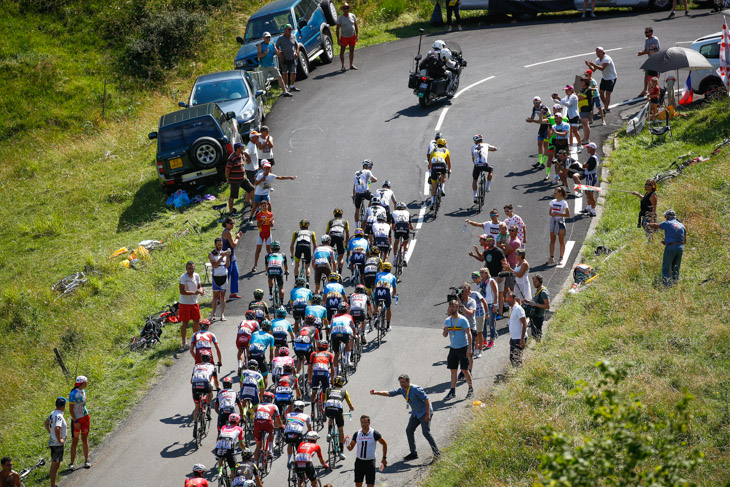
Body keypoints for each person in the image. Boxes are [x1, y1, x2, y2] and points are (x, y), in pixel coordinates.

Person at [370, 374, 440, 461]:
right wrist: (376, 392)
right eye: (400, 382)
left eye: (403, 382)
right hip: (415, 414)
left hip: (424, 412)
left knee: (426, 432)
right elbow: (389, 393)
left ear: (408, 381)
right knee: (409, 430)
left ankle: (437, 454)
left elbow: (427, 399)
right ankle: (413, 453)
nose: (402, 384)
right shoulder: (401, 390)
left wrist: (428, 414)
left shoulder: (415, 389)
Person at [467, 235, 508, 319]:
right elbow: (484, 261)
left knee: (500, 293)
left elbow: (504, 263)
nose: (489, 242)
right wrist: (483, 274)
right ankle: (490, 311)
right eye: (487, 241)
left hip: (498, 275)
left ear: (493, 241)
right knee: (490, 293)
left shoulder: (498, 251)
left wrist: (501, 275)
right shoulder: (486, 252)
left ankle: (500, 312)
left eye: (490, 241)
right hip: (489, 277)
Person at [443, 299, 474, 400]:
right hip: (453, 348)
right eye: (450, 307)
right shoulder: (447, 321)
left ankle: (470, 389)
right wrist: (445, 332)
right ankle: (452, 391)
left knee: (464, 370)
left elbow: (469, 334)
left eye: (453, 307)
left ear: (457, 308)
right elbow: (445, 335)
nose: (451, 308)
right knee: (453, 370)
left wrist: (469, 348)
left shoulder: (462, 320)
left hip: (463, 347)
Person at [647, 210, 687, 286]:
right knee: (676, 267)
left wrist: (649, 224)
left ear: (668, 217)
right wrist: (668, 241)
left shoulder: (667, 223)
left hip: (670, 247)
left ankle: (667, 285)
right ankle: (675, 284)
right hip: (680, 247)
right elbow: (684, 241)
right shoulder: (682, 225)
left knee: (666, 267)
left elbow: (657, 226)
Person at [347, 415, 388, 487]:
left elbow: (384, 444)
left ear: (369, 423)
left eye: (365, 422)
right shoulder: (357, 434)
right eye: (362, 423)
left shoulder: (374, 433)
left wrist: (384, 458)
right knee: (358, 484)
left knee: (370, 484)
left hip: (370, 462)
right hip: (359, 462)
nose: (363, 425)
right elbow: (350, 448)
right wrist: (346, 443)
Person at [325, 375, 355, 460]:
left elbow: (326, 400)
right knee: (341, 430)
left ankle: (329, 432)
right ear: (342, 384)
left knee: (331, 417)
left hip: (329, 407)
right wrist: (351, 408)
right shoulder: (344, 391)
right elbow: (350, 404)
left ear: (334, 382)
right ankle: (341, 452)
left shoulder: (328, 390)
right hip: (338, 410)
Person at [191, 352, 219, 437]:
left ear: (201, 358)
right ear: (210, 358)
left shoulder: (196, 366)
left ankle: (195, 425)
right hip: (206, 385)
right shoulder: (212, 367)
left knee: (196, 407)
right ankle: (209, 406)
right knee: (210, 388)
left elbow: (191, 381)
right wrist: (217, 388)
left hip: (195, 386)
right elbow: (216, 380)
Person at [257, 32, 291, 97]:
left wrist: (280, 52)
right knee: (262, 81)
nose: (268, 38)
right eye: (266, 37)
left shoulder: (272, 44)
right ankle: (262, 96)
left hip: (271, 65)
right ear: (263, 38)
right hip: (263, 66)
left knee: (279, 77)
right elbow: (259, 55)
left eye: (269, 37)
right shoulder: (260, 45)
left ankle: (285, 91)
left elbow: (277, 52)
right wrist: (265, 53)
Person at [252, 392, 283, 465]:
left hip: (257, 423)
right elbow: (278, 421)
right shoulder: (274, 406)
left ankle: (255, 464)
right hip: (267, 422)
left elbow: (253, 417)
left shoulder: (258, 406)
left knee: (258, 446)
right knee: (271, 431)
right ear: (271, 399)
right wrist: (281, 426)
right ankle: (270, 450)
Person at [179, 261, 204, 349]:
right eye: (189, 268)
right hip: (185, 303)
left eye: (192, 268)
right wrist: (194, 292)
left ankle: (195, 339)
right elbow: (182, 291)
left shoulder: (197, 276)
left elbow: (199, 286)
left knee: (197, 321)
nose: (191, 270)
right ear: (186, 269)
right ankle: (184, 341)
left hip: (194, 302)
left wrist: (201, 291)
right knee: (185, 323)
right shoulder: (183, 277)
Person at [68, 375, 91, 470]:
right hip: (77, 420)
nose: (87, 384)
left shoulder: (83, 391)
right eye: (86, 382)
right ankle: (71, 463)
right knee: (75, 441)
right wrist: (75, 420)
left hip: (85, 418)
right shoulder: (73, 394)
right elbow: (71, 410)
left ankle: (87, 460)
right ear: (83, 383)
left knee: (84, 439)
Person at [226, 143, 256, 214]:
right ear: (237, 148)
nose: (243, 148)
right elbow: (227, 169)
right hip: (235, 180)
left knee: (252, 189)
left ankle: (254, 206)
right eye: (241, 147)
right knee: (233, 196)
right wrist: (228, 178)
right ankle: (231, 211)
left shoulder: (241, 155)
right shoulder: (231, 158)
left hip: (242, 178)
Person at [283, 400, 313, 466]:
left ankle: (289, 459)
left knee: (290, 444)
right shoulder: (306, 416)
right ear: (302, 408)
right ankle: (299, 461)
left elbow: (287, 425)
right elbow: (310, 430)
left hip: (288, 435)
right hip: (297, 435)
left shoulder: (288, 415)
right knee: (299, 448)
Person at [308, 341, 336, 413]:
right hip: (325, 373)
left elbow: (310, 368)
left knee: (314, 392)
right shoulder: (329, 354)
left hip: (316, 373)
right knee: (325, 392)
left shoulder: (313, 354)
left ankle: (312, 411)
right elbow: (332, 369)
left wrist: (309, 379)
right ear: (327, 347)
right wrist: (332, 380)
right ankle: (323, 407)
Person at [45, 397, 67, 487]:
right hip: (57, 444)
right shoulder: (59, 416)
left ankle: (53, 484)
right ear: (64, 406)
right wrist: (60, 440)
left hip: (53, 442)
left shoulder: (52, 413)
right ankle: (53, 485)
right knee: (55, 465)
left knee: (54, 463)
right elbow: (57, 428)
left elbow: (46, 423)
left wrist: (51, 433)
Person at [552, 85, 581, 150]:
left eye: (567, 90)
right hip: (569, 115)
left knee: (575, 131)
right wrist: (554, 98)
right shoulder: (567, 97)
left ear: (571, 90)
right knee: (569, 131)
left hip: (574, 115)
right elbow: (561, 102)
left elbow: (568, 104)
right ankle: (570, 145)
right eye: (565, 90)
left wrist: (559, 99)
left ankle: (580, 145)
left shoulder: (573, 97)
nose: (565, 91)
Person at [526, 96, 551, 170]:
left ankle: (543, 163)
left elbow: (540, 121)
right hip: (542, 126)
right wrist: (529, 119)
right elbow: (532, 117)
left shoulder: (544, 108)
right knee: (539, 143)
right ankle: (539, 161)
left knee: (546, 145)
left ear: (540, 102)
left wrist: (532, 121)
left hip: (548, 126)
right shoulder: (534, 108)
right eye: (534, 103)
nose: (535, 104)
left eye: (536, 103)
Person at [471, 134, 498, 202]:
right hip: (484, 164)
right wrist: (488, 150)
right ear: (482, 140)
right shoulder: (486, 145)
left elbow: (473, 158)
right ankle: (487, 187)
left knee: (475, 180)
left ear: (475, 141)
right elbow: (495, 148)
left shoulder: (473, 147)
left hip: (476, 165)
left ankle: (475, 196)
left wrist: (475, 164)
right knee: (491, 170)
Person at [209, 237, 230, 321]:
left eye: (221, 244)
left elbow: (227, 265)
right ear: (215, 245)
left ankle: (222, 314)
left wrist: (227, 256)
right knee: (215, 296)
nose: (220, 246)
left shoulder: (224, 253)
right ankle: (213, 314)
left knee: (222, 296)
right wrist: (222, 256)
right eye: (218, 245)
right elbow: (215, 265)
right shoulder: (211, 254)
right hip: (216, 277)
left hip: (224, 276)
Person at [248, 320, 275, 387]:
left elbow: (248, 346)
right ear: (269, 328)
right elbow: (271, 351)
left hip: (251, 354)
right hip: (260, 355)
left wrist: (247, 359)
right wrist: (270, 362)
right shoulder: (271, 337)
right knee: (265, 376)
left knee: (249, 373)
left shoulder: (255, 333)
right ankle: (263, 394)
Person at [548, 187, 570, 266]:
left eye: (555, 193)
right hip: (553, 221)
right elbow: (550, 212)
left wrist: (559, 214)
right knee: (552, 240)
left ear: (560, 193)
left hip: (560, 221)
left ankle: (561, 258)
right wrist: (552, 214)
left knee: (561, 240)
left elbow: (568, 214)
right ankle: (551, 257)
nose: (554, 194)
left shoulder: (564, 203)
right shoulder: (553, 202)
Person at [330, 303, 355, 372]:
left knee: (336, 354)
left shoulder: (334, 317)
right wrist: (354, 335)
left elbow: (331, 328)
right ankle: (348, 361)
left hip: (335, 335)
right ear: (347, 310)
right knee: (347, 343)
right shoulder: (349, 316)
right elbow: (353, 328)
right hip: (344, 333)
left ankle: (335, 374)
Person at [222, 217, 243, 299]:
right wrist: (237, 238)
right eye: (231, 223)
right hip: (228, 257)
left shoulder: (228, 232)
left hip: (232, 257)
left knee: (235, 274)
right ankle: (220, 294)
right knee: (227, 276)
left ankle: (233, 293)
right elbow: (233, 245)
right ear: (226, 224)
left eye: (233, 223)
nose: (232, 225)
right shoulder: (227, 232)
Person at [505, 291, 528, 366]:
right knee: (513, 358)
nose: (507, 300)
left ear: (514, 299)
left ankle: (519, 374)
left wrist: (522, 339)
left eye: (509, 298)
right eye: (507, 298)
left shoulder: (518, 309)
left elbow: (524, 323)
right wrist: (511, 338)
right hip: (514, 338)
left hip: (519, 338)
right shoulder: (511, 309)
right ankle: (517, 374)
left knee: (516, 359)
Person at [276, 24, 300, 93]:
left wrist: (297, 52)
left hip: (292, 57)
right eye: (289, 29)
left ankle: (292, 86)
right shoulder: (281, 38)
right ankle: (285, 86)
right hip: (284, 58)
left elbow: (297, 45)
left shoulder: (293, 36)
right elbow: (276, 47)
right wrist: (280, 53)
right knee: (285, 73)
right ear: (285, 30)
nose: (290, 31)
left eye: (291, 29)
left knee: (293, 72)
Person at [373, 262, 397, 330]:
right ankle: (388, 326)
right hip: (386, 292)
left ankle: (376, 317)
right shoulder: (393, 276)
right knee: (388, 308)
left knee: (376, 304)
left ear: (382, 268)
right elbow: (394, 289)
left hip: (378, 291)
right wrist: (393, 295)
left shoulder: (378, 275)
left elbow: (375, 286)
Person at [479, 267, 499, 350]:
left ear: (487, 273)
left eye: (483, 272)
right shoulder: (482, 282)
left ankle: (492, 339)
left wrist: (495, 305)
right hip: (484, 304)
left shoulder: (491, 281)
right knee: (483, 322)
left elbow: (495, 293)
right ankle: (484, 339)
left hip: (491, 304)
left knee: (491, 322)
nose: (481, 274)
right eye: (480, 272)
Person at [353, 160, 377, 226]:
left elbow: (354, 185)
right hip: (365, 193)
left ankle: (356, 226)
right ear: (366, 166)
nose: (371, 167)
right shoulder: (368, 171)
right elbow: (375, 179)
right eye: (370, 166)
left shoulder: (356, 172)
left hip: (357, 193)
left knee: (357, 209)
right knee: (373, 199)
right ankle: (368, 211)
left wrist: (354, 195)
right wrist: (371, 182)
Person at [252, 200, 274, 272]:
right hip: (261, 233)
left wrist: (271, 222)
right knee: (258, 250)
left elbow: (272, 225)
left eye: (266, 206)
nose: (265, 207)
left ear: (268, 206)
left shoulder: (270, 214)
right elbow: (258, 225)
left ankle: (271, 264)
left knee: (268, 250)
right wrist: (263, 222)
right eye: (263, 206)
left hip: (268, 233)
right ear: (260, 207)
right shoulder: (258, 214)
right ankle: (255, 265)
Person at [326, 208, 350, 273]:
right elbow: (347, 234)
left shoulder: (330, 221)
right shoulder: (345, 221)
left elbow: (327, 234)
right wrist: (346, 245)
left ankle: (329, 266)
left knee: (329, 253)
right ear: (341, 215)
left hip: (332, 235)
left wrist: (326, 246)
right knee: (341, 256)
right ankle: (340, 271)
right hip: (340, 236)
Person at [336, 3, 359, 71]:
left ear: (349, 9)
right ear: (342, 10)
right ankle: (343, 65)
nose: (346, 9)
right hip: (344, 37)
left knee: (351, 50)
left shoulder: (352, 16)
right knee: (342, 51)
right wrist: (338, 39)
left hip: (352, 36)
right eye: (344, 8)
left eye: (347, 8)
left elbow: (355, 25)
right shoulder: (340, 18)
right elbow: (337, 29)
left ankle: (351, 65)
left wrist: (357, 34)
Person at [638, 27, 661, 96]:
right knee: (646, 75)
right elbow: (646, 49)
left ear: (651, 32)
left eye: (647, 32)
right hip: (650, 60)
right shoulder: (647, 40)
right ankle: (645, 90)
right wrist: (641, 52)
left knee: (654, 77)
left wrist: (643, 53)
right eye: (645, 32)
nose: (646, 34)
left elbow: (652, 51)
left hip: (656, 59)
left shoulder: (655, 40)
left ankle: (655, 91)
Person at [428, 138, 450, 206]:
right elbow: (448, 162)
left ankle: (432, 202)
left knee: (434, 185)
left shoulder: (433, 150)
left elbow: (430, 163)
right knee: (443, 175)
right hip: (442, 164)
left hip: (434, 166)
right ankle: (442, 189)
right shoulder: (446, 150)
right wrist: (449, 170)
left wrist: (430, 171)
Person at [527, 274, 549, 339]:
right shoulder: (538, 290)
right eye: (533, 281)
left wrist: (535, 305)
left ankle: (538, 346)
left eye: (535, 281)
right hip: (535, 316)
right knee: (535, 335)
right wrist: (528, 302)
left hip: (539, 317)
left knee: (537, 336)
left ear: (540, 281)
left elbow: (547, 306)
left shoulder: (544, 292)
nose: (534, 283)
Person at [577, 77, 592, 144]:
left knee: (585, 123)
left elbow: (581, 97)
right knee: (584, 124)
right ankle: (585, 138)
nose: (581, 83)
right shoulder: (582, 89)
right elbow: (578, 95)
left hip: (586, 107)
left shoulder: (588, 89)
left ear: (586, 82)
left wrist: (576, 95)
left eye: (582, 82)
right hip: (581, 107)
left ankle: (587, 139)